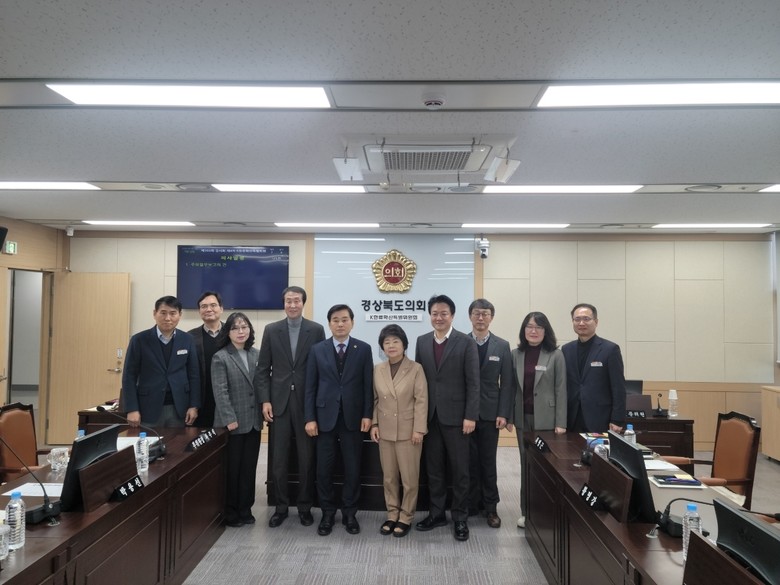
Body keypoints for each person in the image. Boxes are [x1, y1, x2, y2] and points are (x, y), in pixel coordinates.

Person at [414, 294, 480, 542]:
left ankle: (460, 517)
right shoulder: (421, 342)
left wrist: (470, 415)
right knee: (434, 469)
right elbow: (419, 382)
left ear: (452, 315)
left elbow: (473, 383)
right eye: (434, 313)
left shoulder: (466, 342)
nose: (439, 318)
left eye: (443, 313)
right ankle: (437, 513)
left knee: (460, 470)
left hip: (458, 419)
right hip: (430, 417)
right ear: (429, 316)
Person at [258, 286, 325, 528]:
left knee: (307, 459)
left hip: (306, 404)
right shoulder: (271, 330)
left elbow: (321, 368)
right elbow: (263, 369)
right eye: (288, 301)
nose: (293, 305)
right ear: (283, 303)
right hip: (279, 403)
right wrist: (265, 400)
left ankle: (305, 507)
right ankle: (281, 507)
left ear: (303, 303)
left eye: (297, 300)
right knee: (279, 459)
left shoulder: (315, 330)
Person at [304, 304, 373, 536]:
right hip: (324, 419)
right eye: (335, 320)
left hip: (353, 419)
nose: (340, 324)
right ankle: (327, 513)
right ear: (329, 323)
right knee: (324, 469)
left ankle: (350, 514)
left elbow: (367, 385)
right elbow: (310, 387)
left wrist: (367, 414)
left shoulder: (363, 349)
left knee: (352, 468)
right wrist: (309, 418)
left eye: (344, 319)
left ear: (352, 322)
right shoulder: (317, 350)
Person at [508, 311, 566, 529]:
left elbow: (561, 389)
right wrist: (510, 416)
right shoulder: (515, 354)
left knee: (546, 467)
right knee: (526, 465)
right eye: (529, 327)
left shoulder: (556, 355)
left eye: (538, 327)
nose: (533, 331)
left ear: (545, 331)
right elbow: (511, 388)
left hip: (548, 421)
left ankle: (546, 513)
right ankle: (526, 512)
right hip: (522, 419)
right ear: (524, 330)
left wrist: (561, 422)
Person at [370, 324, 428, 538]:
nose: (391, 345)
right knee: (389, 478)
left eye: (395, 341)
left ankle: (406, 517)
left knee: (409, 479)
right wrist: (374, 424)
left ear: (404, 344)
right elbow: (375, 400)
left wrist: (419, 429)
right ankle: (392, 513)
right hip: (385, 431)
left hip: (408, 432)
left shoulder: (416, 368)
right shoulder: (378, 369)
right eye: (386, 342)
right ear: (382, 347)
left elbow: (421, 400)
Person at [211, 312, 263, 527]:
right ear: (228, 332)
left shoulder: (257, 354)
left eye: (244, 327)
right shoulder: (221, 357)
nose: (241, 331)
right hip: (232, 423)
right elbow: (220, 391)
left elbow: (262, 385)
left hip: (254, 421)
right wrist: (229, 418)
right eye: (235, 328)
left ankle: (245, 509)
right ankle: (230, 512)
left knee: (249, 469)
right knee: (232, 470)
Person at [466, 299, 514, 529]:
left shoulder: (502, 346)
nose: (480, 318)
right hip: (466, 414)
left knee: (488, 462)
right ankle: (471, 504)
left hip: (490, 413)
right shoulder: (461, 342)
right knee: (468, 462)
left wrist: (504, 412)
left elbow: (507, 383)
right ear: (470, 316)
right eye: (476, 313)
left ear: (491, 317)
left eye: (485, 314)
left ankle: (491, 507)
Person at [121, 295, 200, 428]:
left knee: (178, 441)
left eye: (173, 313)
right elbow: (129, 376)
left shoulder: (187, 339)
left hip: (180, 408)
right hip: (147, 408)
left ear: (180, 315)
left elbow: (194, 375)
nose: (168, 318)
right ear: (154, 313)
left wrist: (194, 405)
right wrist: (132, 408)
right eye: (163, 313)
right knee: (149, 441)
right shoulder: (139, 340)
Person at [562, 303, 626, 433]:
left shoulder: (610, 349)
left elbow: (618, 387)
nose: (581, 323)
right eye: (577, 319)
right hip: (571, 418)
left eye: (586, 319)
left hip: (599, 418)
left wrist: (617, 419)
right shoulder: (566, 349)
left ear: (596, 322)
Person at [188, 291, 224, 428]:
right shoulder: (190, 337)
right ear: (199, 311)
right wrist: (192, 404)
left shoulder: (232, 333)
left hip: (228, 400)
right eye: (204, 306)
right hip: (201, 400)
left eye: (213, 305)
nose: (209, 309)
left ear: (221, 308)